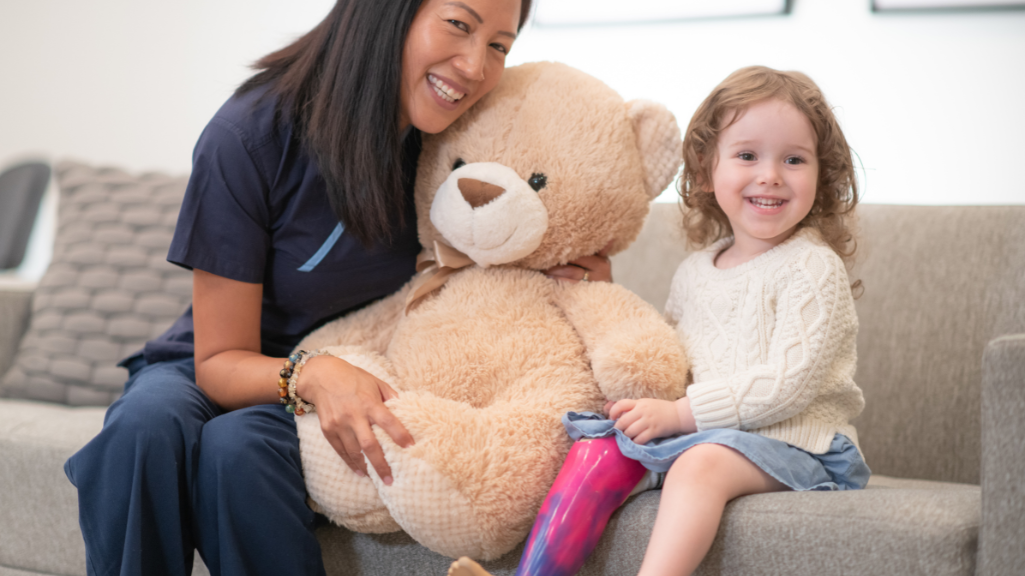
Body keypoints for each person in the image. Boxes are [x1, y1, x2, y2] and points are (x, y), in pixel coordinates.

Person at [63, 1, 614, 575]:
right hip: (235, 364)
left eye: (500, 45)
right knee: (143, 427)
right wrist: (311, 372)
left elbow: (526, 222)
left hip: (370, 371)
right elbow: (220, 361)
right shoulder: (249, 135)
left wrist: (573, 279)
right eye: (459, 24)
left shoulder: (459, 145)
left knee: (237, 450)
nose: (476, 66)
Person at [448, 65, 870, 576]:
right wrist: (636, 380)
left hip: (800, 443)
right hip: (712, 430)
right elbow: (676, 361)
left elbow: (787, 386)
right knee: (597, 448)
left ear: (822, 173)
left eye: (794, 159)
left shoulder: (811, 266)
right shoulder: (695, 271)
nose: (770, 175)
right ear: (706, 171)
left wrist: (678, 416)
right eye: (746, 155)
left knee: (700, 463)